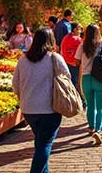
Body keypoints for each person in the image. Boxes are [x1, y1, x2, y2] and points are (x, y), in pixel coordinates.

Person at [12, 28, 70, 173]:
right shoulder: (54, 58)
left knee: (40, 142)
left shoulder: (23, 60)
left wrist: (23, 97)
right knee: (44, 145)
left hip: (29, 109)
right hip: (49, 108)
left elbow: (15, 85)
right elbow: (67, 78)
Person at [76, 24, 102, 145]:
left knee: (90, 106)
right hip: (100, 78)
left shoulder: (82, 45)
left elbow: (76, 61)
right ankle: (98, 130)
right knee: (101, 107)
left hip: (86, 78)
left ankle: (91, 127)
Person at [60, 24, 83, 91]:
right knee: (76, 82)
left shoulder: (65, 37)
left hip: (66, 62)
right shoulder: (78, 39)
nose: (80, 31)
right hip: (75, 63)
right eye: (79, 29)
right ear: (75, 29)